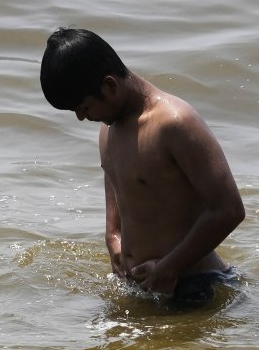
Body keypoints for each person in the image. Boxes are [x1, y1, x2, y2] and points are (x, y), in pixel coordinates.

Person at [40, 27, 246, 304]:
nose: (80, 117)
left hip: (195, 286)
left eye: (83, 107)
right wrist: (112, 237)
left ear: (110, 86)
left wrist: (169, 267)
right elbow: (116, 184)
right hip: (145, 283)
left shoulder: (173, 123)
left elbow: (229, 209)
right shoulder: (108, 128)